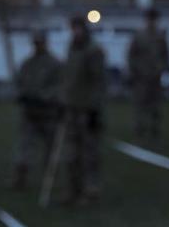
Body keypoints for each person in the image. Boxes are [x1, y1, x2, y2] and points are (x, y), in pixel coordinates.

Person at [59, 15, 106, 205]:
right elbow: (68, 79)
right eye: (73, 28)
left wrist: (95, 109)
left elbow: (98, 82)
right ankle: (73, 190)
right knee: (71, 154)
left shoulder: (94, 51)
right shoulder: (72, 49)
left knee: (89, 154)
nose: (75, 32)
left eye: (78, 28)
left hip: (87, 110)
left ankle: (90, 190)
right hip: (71, 108)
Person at [9, 30, 62, 190]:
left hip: (48, 113)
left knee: (50, 149)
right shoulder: (28, 63)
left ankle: (49, 180)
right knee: (24, 148)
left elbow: (59, 87)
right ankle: (20, 179)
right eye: (36, 43)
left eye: (40, 42)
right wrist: (22, 95)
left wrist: (44, 97)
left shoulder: (55, 64)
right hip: (29, 113)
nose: (38, 46)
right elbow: (20, 82)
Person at [127, 8, 169, 138]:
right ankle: (139, 128)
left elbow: (166, 54)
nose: (151, 21)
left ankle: (154, 129)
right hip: (141, 76)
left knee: (156, 106)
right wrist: (132, 70)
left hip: (156, 76)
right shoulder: (139, 36)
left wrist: (166, 68)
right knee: (139, 104)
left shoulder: (160, 36)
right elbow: (131, 55)